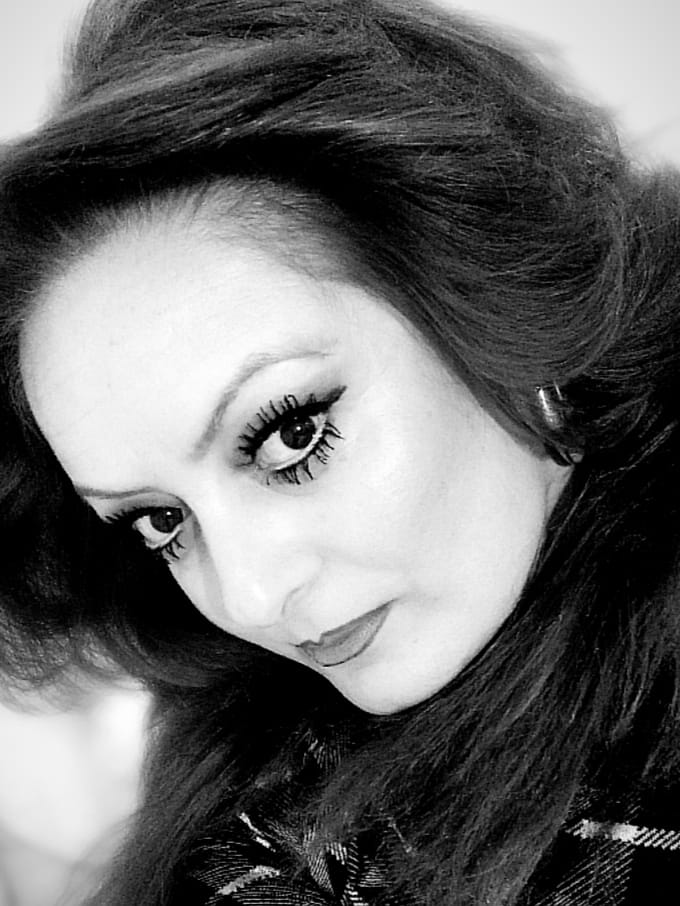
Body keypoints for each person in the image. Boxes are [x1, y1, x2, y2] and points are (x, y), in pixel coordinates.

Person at [0, 0, 679, 903]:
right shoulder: (250, 801)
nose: (249, 597)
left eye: (292, 436)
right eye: (162, 522)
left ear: (500, 307)